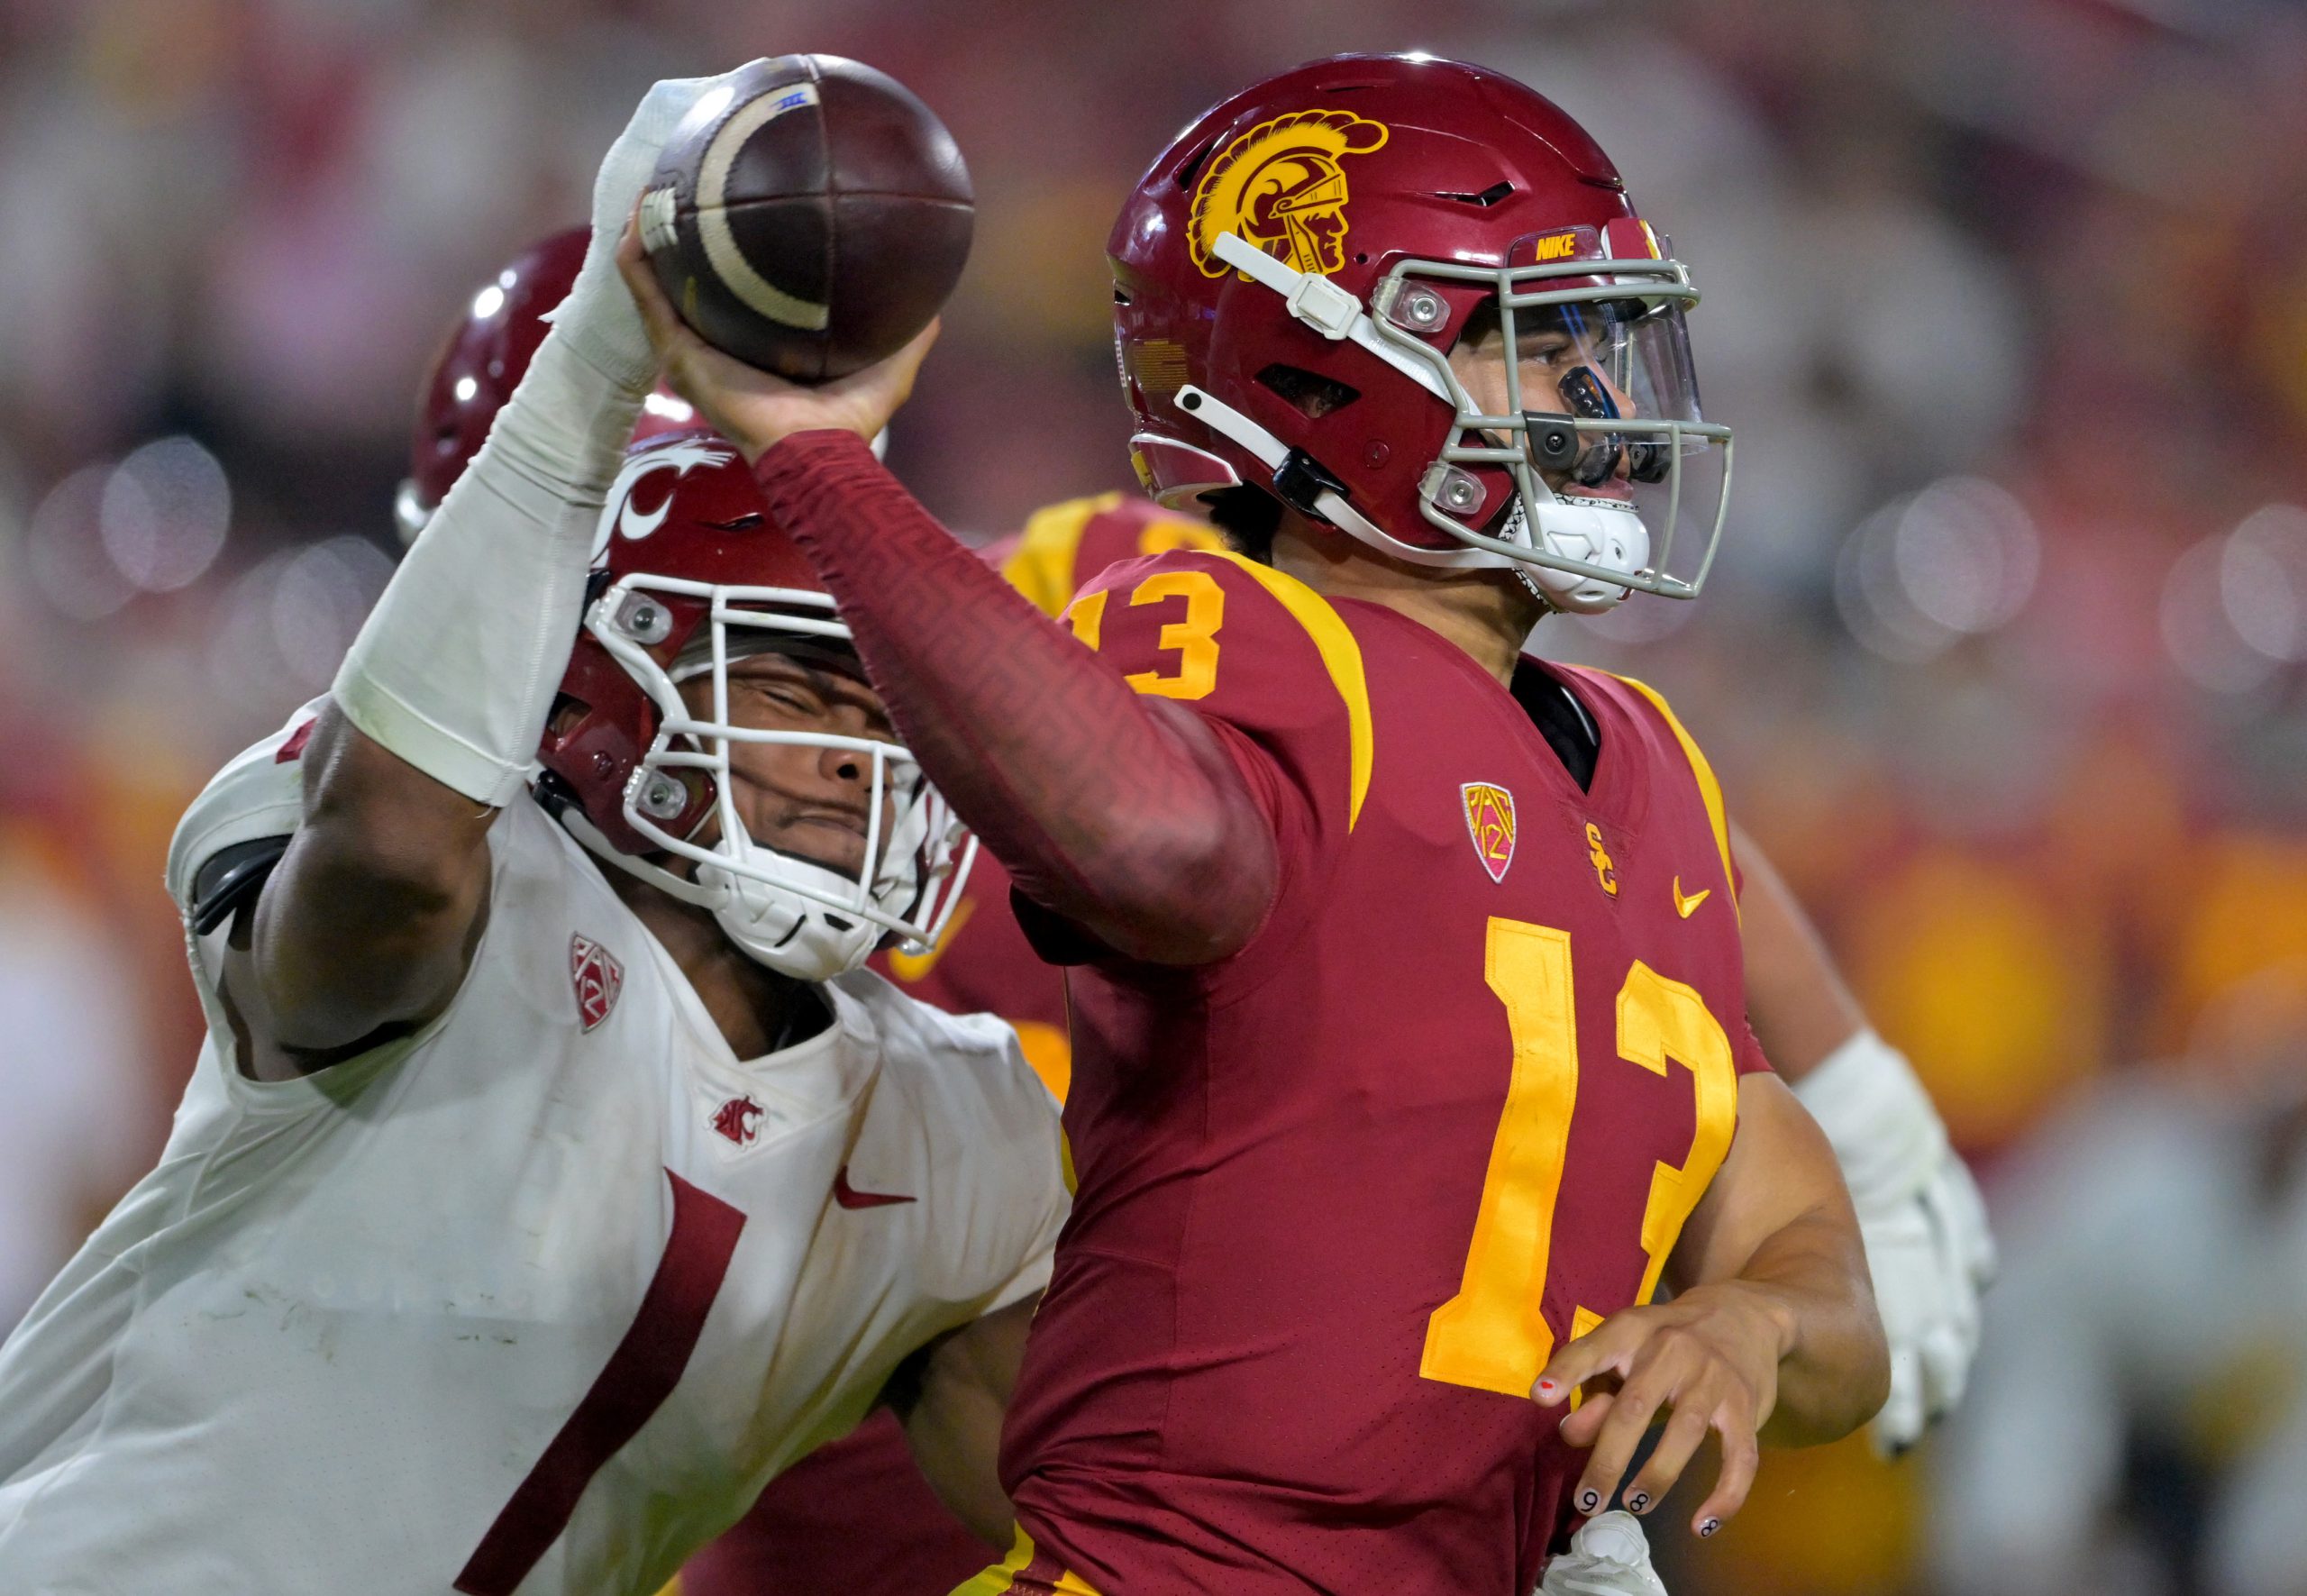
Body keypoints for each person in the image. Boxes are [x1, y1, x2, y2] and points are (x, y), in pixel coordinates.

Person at [627, 51, 1890, 1594]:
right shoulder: (1238, 632)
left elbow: (1816, 1268)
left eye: (1601, 347)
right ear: (1330, 374)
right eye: (1534, 346)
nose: (1605, 405)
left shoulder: (1652, 766)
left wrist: (1748, 1324)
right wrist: (814, 458)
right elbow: (1155, 846)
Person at [0, 71, 1066, 1596]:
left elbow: (1114, 1513)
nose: (850, 753)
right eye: (783, 688)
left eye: (880, 705)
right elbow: (388, 864)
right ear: (600, 683)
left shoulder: (957, 1129)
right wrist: (598, 357)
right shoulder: (433, 866)